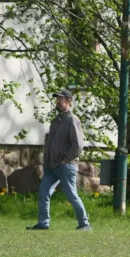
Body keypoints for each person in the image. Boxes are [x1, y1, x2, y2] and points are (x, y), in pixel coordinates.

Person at [26, 90, 91, 231]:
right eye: (57, 100)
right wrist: (47, 162)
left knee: (71, 195)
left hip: (66, 166)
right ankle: (43, 223)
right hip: (51, 166)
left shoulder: (72, 120)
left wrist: (65, 160)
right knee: (44, 193)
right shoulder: (57, 120)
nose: (58, 102)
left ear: (68, 101)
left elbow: (78, 145)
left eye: (60, 100)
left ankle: (84, 224)